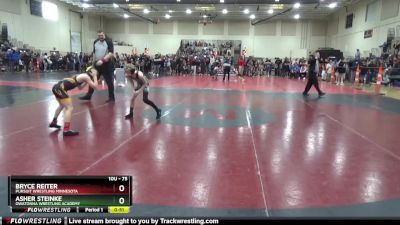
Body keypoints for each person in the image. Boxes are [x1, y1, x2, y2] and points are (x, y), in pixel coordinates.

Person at [49, 66, 98, 136]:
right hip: (60, 89)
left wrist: (88, 81)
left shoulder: (83, 77)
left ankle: (54, 122)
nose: (96, 72)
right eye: (94, 71)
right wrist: (95, 76)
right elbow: (95, 87)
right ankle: (66, 130)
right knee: (70, 108)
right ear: (91, 72)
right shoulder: (86, 76)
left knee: (62, 105)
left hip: (57, 88)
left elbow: (80, 88)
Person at [79, 30, 115, 102]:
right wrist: (93, 64)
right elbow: (94, 53)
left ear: (104, 35)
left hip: (107, 65)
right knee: (92, 79)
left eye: (101, 35)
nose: (100, 37)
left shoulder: (109, 42)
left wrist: (103, 60)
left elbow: (111, 53)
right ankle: (88, 95)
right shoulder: (95, 42)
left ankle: (111, 98)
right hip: (97, 65)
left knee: (109, 82)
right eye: (99, 36)